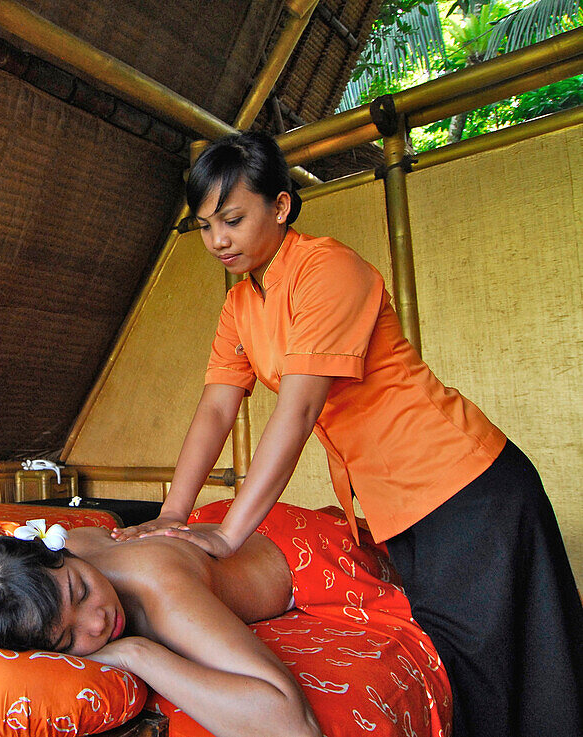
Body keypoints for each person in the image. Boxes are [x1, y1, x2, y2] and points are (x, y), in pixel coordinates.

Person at [112, 130, 583, 737]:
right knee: (457, 661)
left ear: (280, 207)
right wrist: (172, 513)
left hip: (465, 487)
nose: (218, 240)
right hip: (399, 507)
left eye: (231, 219)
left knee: (495, 671)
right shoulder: (241, 306)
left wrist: (230, 535)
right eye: (204, 227)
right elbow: (214, 410)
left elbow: (300, 410)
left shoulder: (326, 269)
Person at [0, 517, 321, 737]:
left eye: (81, 591)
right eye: (69, 638)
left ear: (63, 553)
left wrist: (138, 654)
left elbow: (293, 725)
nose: (98, 621)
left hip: (304, 551)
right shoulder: (75, 546)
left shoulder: (161, 590)